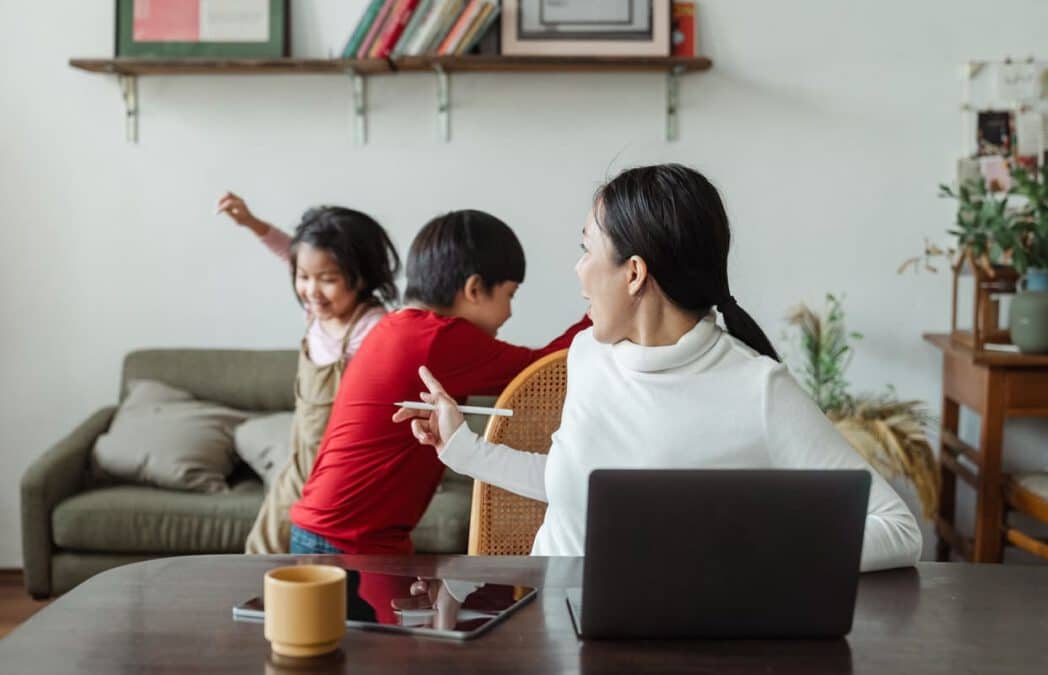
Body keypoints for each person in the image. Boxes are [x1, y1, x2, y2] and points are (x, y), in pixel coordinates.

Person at [394, 164, 923, 572]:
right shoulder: (588, 355)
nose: (578, 271)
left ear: (634, 273)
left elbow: (898, 530)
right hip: (550, 628)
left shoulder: (757, 389)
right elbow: (575, 486)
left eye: (586, 249)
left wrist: (749, 549)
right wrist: (463, 448)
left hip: (672, 640)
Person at [288, 209, 591, 555]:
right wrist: (600, 307)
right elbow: (540, 373)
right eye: (510, 295)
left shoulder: (399, 327)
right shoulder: (436, 339)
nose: (509, 312)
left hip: (334, 531)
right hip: (347, 541)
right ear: (475, 289)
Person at [216, 192, 399, 554]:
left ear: (361, 276)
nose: (312, 290)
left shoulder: (373, 329)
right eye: (303, 277)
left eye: (328, 279)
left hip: (337, 476)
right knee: (261, 550)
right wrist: (253, 224)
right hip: (299, 462)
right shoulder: (318, 312)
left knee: (306, 563)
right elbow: (293, 253)